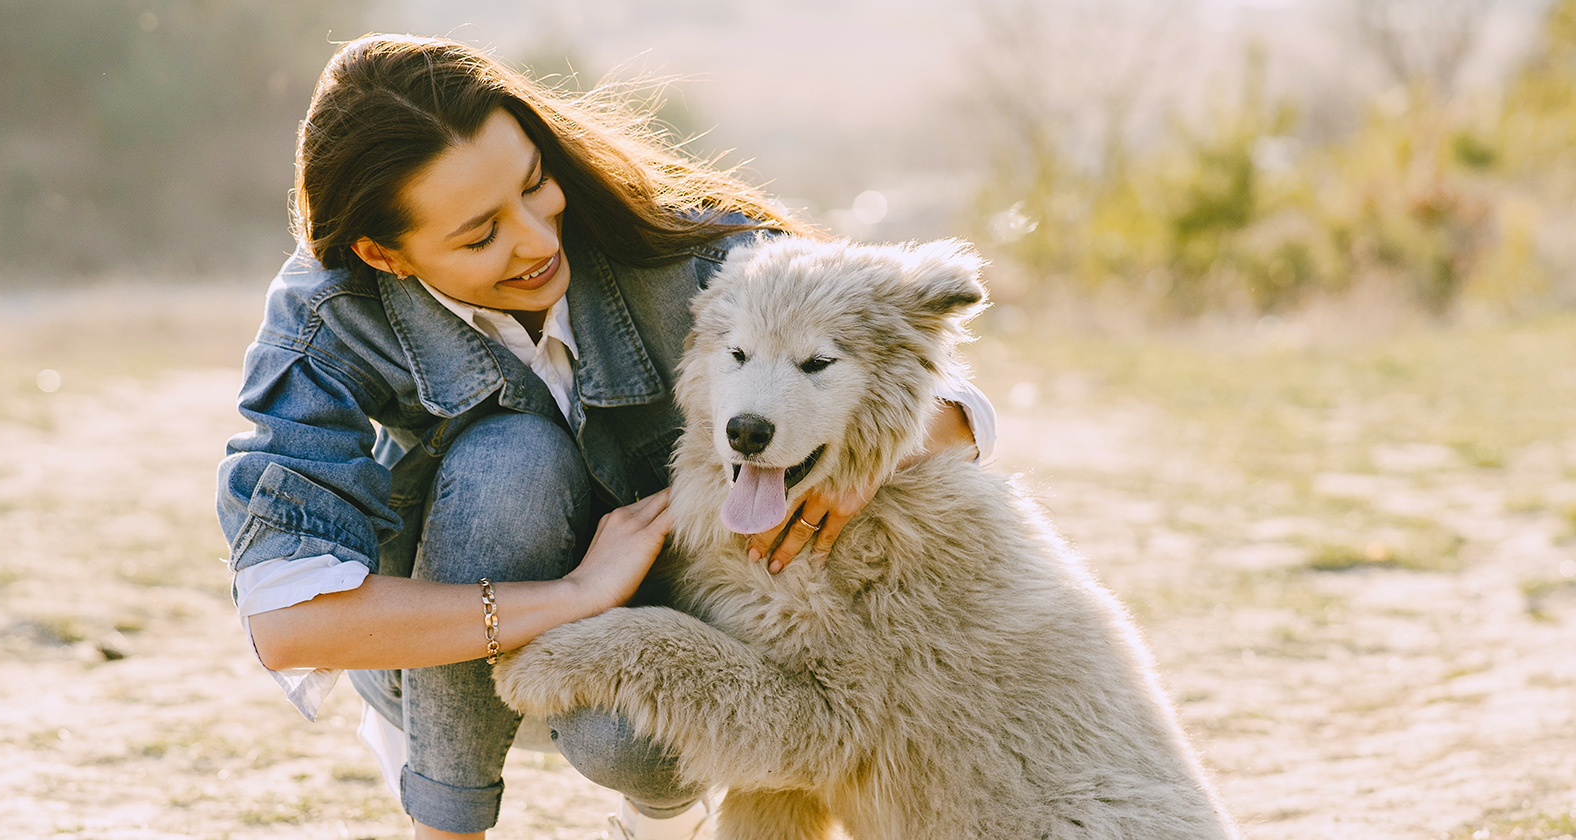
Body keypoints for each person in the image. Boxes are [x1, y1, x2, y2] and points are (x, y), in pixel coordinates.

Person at [215, 34, 996, 840]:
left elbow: (928, 375)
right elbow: (288, 622)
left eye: (534, 185)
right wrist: (577, 595)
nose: (536, 240)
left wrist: (868, 458)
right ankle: (445, 823)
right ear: (387, 253)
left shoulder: (663, 233)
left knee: (631, 738)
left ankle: (660, 816)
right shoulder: (324, 318)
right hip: (440, 650)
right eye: (481, 235)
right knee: (509, 457)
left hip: (661, 626)